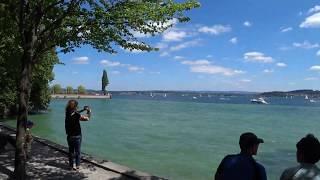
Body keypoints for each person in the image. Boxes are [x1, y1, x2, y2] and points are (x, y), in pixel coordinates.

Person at [65, 100, 91, 170]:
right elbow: (87, 119)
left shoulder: (67, 113)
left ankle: (70, 166)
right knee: (77, 152)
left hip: (69, 136)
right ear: (75, 106)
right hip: (77, 136)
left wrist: (83, 110)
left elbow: (75, 112)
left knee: (71, 151)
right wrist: (89, 111)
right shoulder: (77, 115)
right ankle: (77, 166)